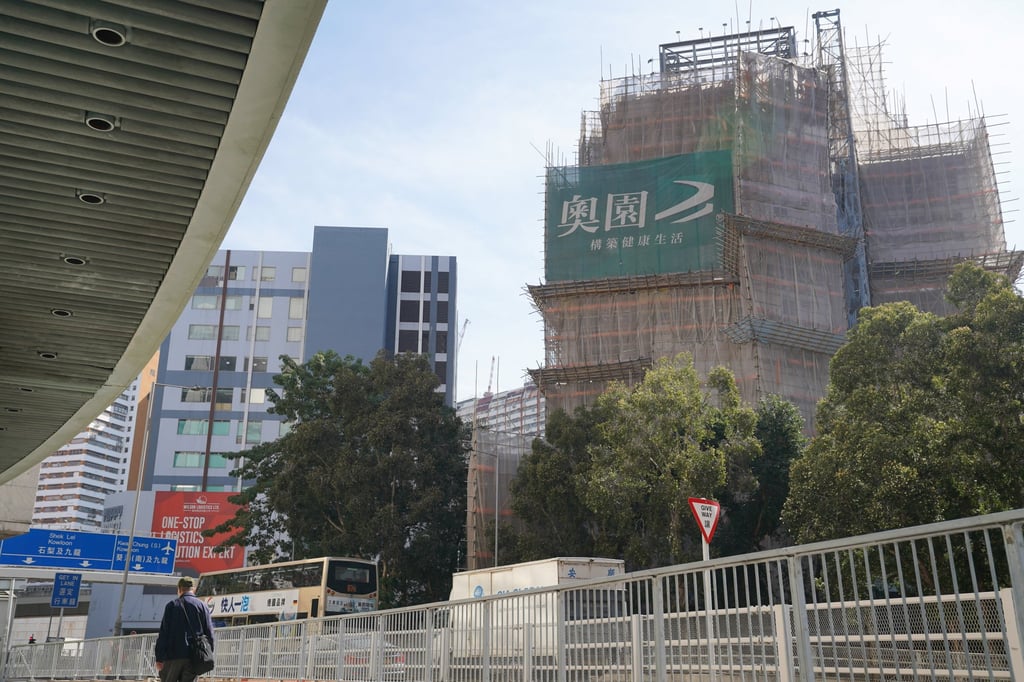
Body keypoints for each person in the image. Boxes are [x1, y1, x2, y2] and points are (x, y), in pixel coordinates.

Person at [154, 577, 215, 682]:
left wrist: (159, 658)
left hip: (172, 656)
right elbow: (209, 633)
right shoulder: (202, 606)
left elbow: (163, 634)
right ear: (193, 589)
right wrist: (207, 654)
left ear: (179, 589)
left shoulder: (172, 605)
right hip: (193, 657)